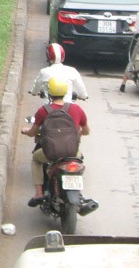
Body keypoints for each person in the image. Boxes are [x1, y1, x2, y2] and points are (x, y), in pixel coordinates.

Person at [22, 76, 90, 206]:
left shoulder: (43, 111)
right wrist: (78, 132)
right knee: (79, 159)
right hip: (72, 153)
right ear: (65, 92)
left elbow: (33, 133)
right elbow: (86, 131)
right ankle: (78, 192)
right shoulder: (76, 109)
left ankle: (38, 193)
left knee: (36, 159)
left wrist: (25, 131)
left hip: (51, 153)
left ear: (49, 93)